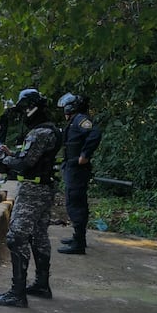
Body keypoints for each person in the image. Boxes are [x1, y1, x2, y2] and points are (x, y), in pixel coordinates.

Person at [0, 89, 62, 307]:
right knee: (39, 235)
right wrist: (12, 155)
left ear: (30, 108)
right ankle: (41, 284)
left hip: (34, 190)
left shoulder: (39, 133)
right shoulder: (52, 130)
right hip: (45, 187)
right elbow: (32, 159)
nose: (21, 115)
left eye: (22, 109)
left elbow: (24, 164)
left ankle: (17, 293)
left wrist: (4, 157)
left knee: (17, 236)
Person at [56, 93, 102, 255]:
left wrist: (85, 154)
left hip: (77, 169)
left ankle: (79, 243)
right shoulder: (75, 120)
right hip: (72, 167)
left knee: (75, 203)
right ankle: (78, 238)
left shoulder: (80, 120)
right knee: (76, 203)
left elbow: (95, 133)